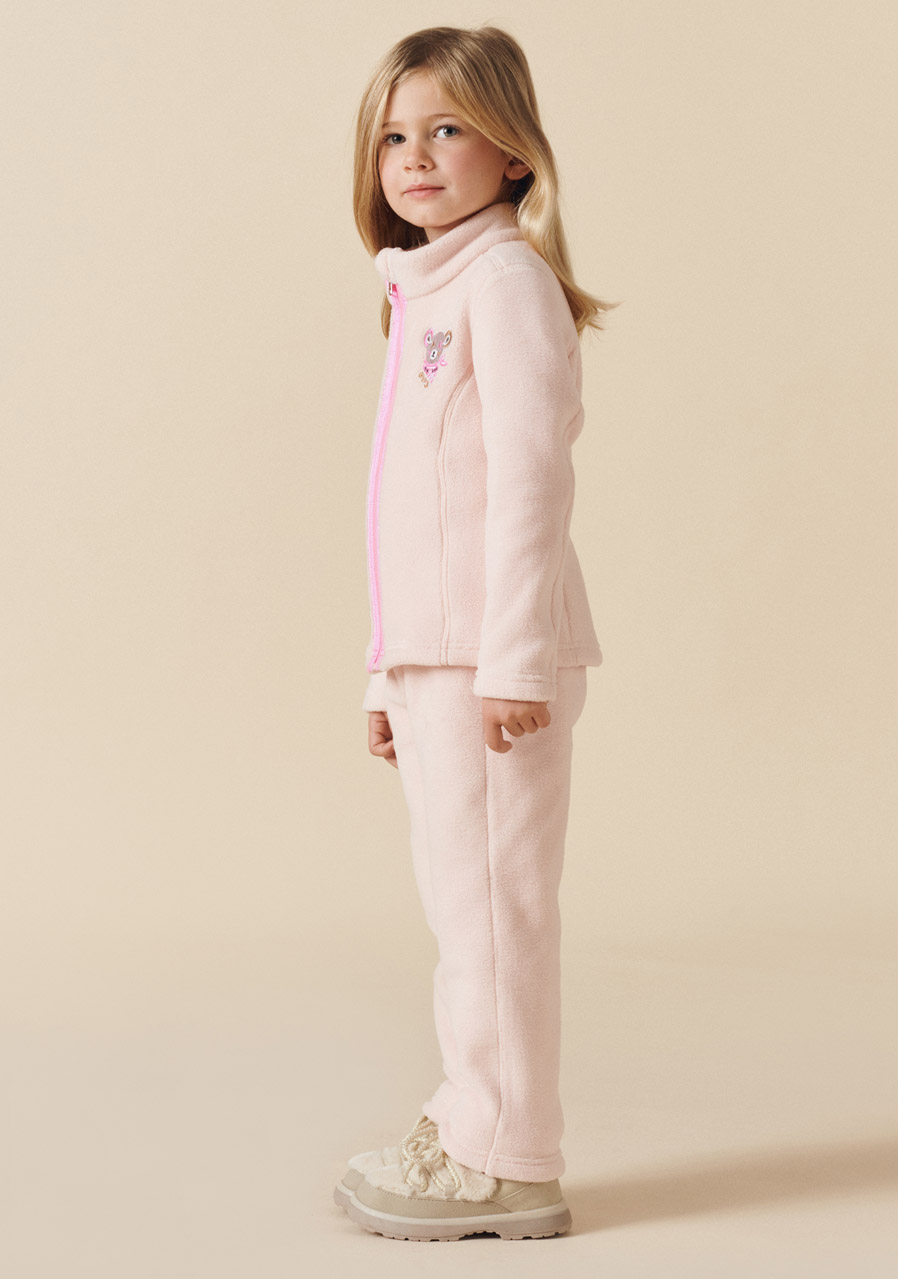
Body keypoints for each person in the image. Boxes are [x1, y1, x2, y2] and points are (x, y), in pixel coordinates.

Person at [334, 24, 619, 1242]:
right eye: (393, 135)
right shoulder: (425, 289)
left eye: (445, 128)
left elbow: (529, 483)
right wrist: (383, 673)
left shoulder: (502, 284)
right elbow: (404, 506)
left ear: (512, 152)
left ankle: (508, 1159)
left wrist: (511, 661)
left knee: (497, 912)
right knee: (464, 912)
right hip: (435, 658)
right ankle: (470, 1122)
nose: (413, 155)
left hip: (492, 664)